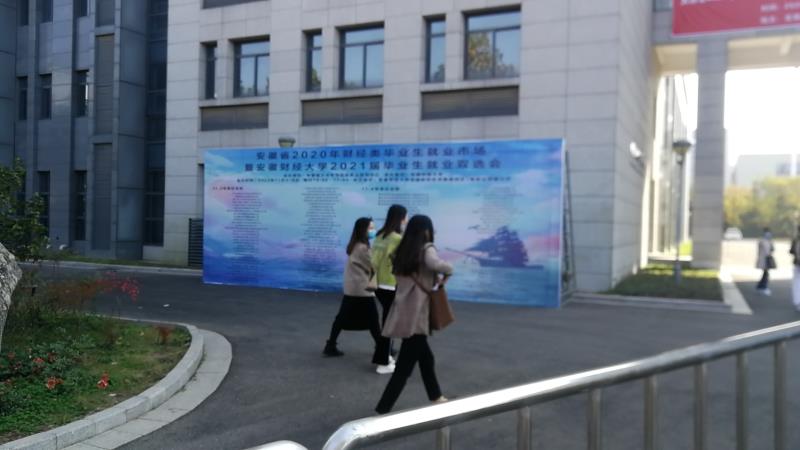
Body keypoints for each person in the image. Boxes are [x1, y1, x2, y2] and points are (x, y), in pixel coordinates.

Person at [375, 215, 452, 414]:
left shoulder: (403, 250)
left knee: (426, 358)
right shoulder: (426, 249)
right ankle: (383, 409)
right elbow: (436, 264)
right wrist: (449, 268)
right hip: (418, 314)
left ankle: (435, 395)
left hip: (404, 309)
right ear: (426, 230)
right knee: (404, 368)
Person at [323, 217, 394, 374]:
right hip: (361, 289)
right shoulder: (362, 248)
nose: (373, 230)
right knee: (373, 320)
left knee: (342, 318)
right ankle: (383, 349)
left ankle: (331, 345)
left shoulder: (356, 245)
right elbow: (374, 264)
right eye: (370, 228)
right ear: (363, 230)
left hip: (353, 287)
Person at [371, 204, 408, 361]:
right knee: (389, 323)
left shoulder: (380, 236)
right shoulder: (397, 238)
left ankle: (385, 352)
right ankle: (383, 357)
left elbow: (373, 260)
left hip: (377, 282)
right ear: (401, 218)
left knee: (386, 319)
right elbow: (403, 260)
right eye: (406, 216)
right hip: (391, 283)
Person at [756, 227, 775, 296]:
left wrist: (770, 241)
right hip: (764, 260)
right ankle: (763, 287)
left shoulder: (769, 241)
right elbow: (765, 251)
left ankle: (760, 286)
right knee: (766, 274)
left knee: (765, 274)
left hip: (767, 259)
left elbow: (772, 249)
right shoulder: (762, 241)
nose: (768, 234)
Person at [791, 226, 800, 311]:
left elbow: (791, 251)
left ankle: (797, 302)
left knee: (797, 283)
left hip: (797, 263)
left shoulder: (796, 239)